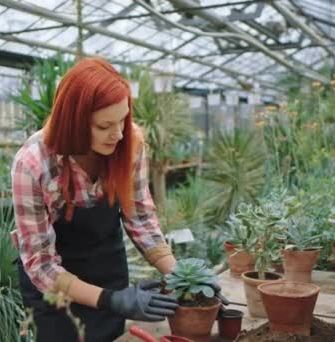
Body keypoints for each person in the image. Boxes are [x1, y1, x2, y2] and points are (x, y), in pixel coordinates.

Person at [11, 57, 223, 342]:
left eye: (123, 119)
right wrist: (112, 300)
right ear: (74, 122)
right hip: (55, 293)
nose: (118, 133)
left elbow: (141, 218)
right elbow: (42, 266)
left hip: (106, 267)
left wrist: (186, 280)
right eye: (104, 126)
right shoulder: (33, 164)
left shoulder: (128, 144)